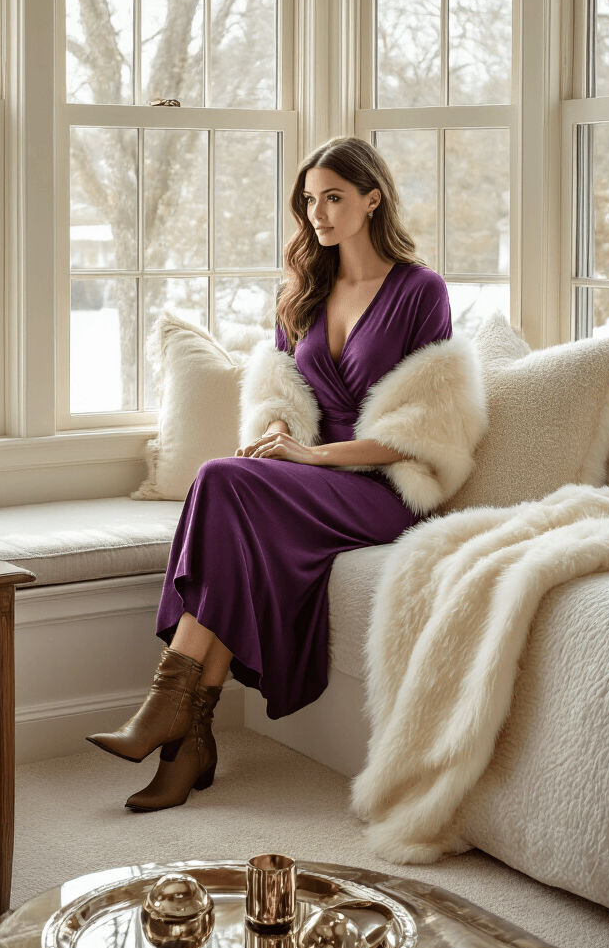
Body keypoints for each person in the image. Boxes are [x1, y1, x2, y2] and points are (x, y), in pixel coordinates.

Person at [88, 136, 485, 811]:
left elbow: (425, 432)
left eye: (333, 197)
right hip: (311, 480)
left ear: (371, 198)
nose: (319, 213)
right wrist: (278, 435)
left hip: (382, 489)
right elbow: (283, 397)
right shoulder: (302, 289)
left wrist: (313, 456)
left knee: (219, 481)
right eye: (309, 199)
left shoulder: (421, 290)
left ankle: (169, 709)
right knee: (231, 495)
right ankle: (188, 734)